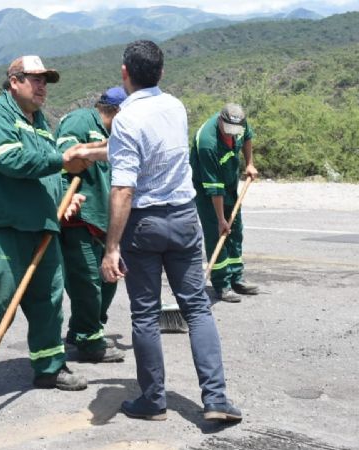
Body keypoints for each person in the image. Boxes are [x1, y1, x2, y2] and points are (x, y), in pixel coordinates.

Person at [100, 40, 242, 423]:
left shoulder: (126, 120)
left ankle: (152, 400)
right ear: (161, 73)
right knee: (196, 307)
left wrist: (112, 247)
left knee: (144, 315)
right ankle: (216, 398)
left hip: (143, 225)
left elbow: (124, 188)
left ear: (125, 73)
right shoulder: (176, 107)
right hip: (183, 218)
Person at [0, 55, 95, 401]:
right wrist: (62, 159)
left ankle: (50, 366)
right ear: (14, 81)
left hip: (39, 223)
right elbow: (9, 160)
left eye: (45, 81)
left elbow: (46, 173)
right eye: (35, 79)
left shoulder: (38, 122)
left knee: (48, 295)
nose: (42, 86)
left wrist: (64, 197)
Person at [55, 86, 128, 363]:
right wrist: (105, 148)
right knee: (87, 281)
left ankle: (82, 328)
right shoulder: (81, 120)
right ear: (118, 111)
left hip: (104, 221)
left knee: (108, 280)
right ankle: (89, 341)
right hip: (79, 219)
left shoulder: (113, 133)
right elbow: (66, 155)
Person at [190, 103, 259, 303]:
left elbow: (247, 138)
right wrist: (221, 219)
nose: (231, 135)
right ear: (221, 120)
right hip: (207, 190)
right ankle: (222, 284)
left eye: (234, 132)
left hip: (229, 183)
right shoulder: (207, 142)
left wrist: (249, 163)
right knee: (217, 233)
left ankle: (237, 278)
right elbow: (214, 188)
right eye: (228, 131)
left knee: (236, 231)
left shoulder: (239, 124)